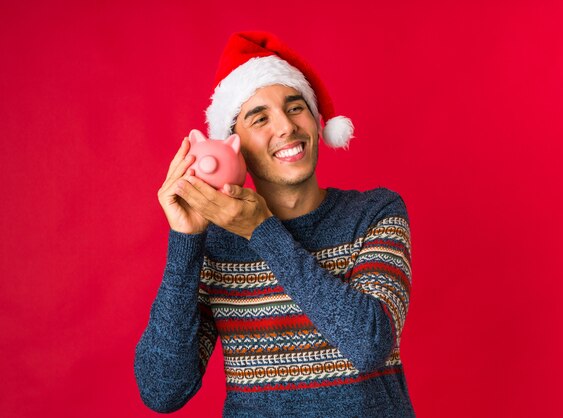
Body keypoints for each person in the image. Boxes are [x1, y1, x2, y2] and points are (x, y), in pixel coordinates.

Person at [134, 32, 415, 417]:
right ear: (234, 144)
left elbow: (368, 344)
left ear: (317, 124)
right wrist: (186, 241)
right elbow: (162, 390)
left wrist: (261, 231)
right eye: (260, 117)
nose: (285, 127)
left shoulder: (375, 213)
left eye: (295, 108)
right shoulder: (217, 245)